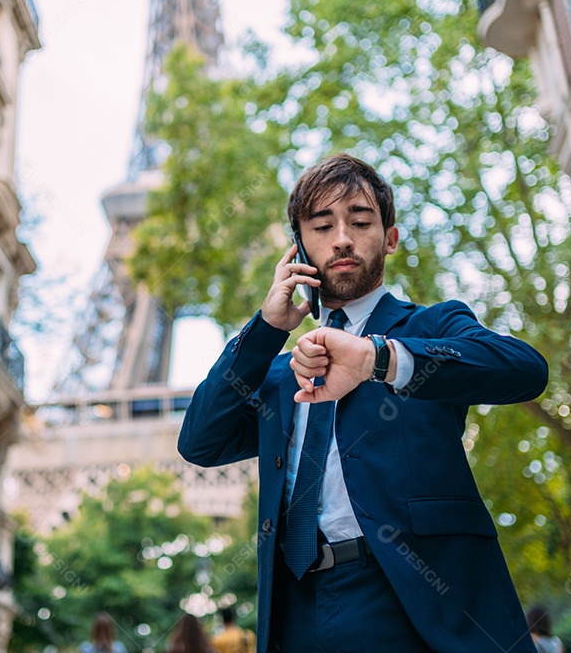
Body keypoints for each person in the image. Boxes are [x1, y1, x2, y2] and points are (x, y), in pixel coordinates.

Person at [178, 154, 549, 652]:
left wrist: (380, 358)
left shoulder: (429, 329)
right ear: (298, 249)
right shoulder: (280, 373)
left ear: (390, 238)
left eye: (360, 220)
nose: (343, 238)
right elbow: (200, 440)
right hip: (295, 610)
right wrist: (267, 331)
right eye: (322, 225)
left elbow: (525, 370)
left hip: (413, 604)